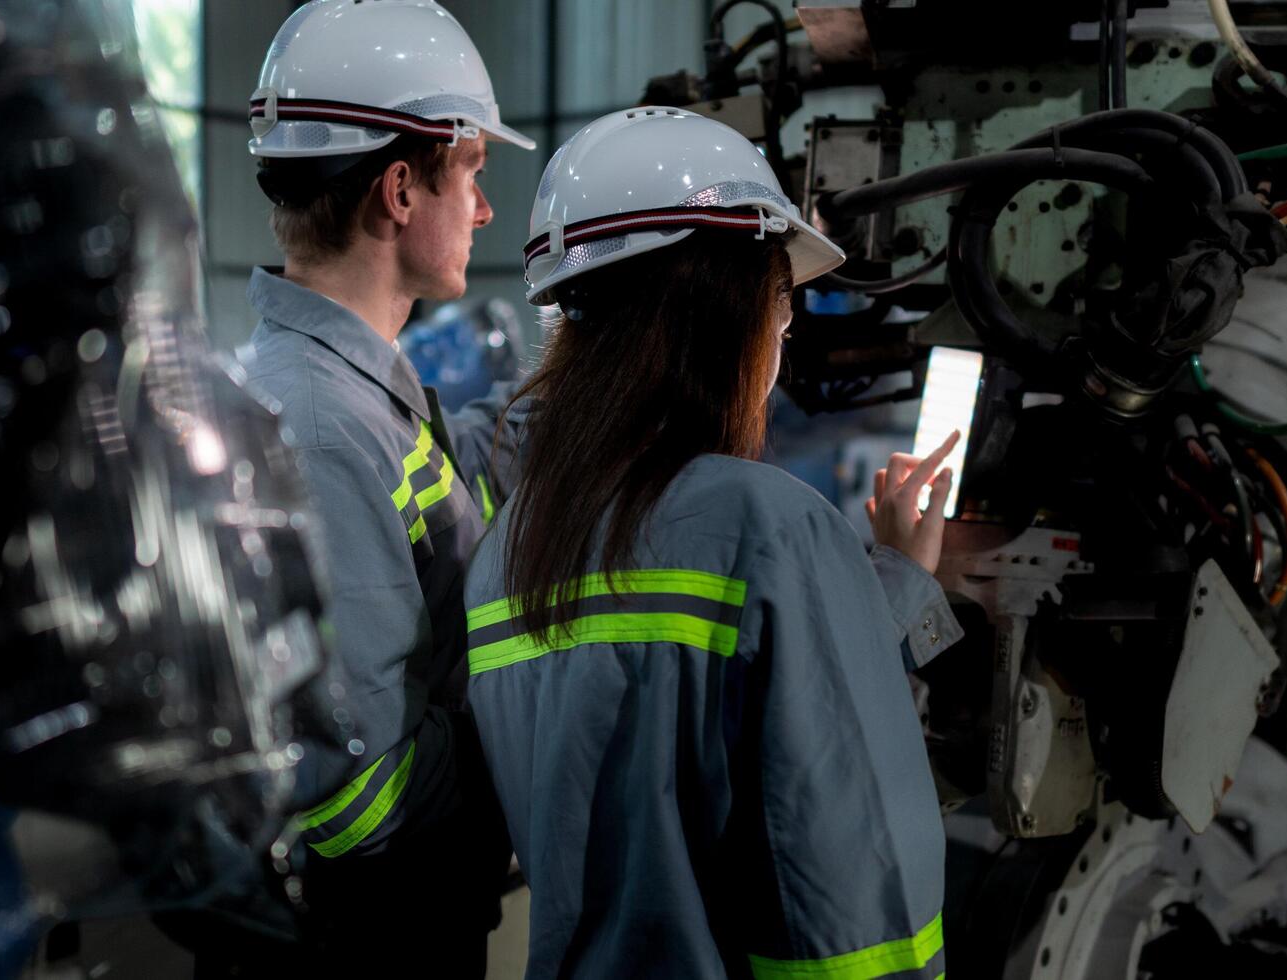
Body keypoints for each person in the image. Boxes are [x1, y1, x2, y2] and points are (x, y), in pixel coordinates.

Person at [465, 106, 964, 979]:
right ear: (717, 304)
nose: (782, 331)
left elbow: (691, 714)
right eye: (779, 300)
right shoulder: (773, 525)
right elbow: (856, 910)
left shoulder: (505, 552)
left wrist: (887, 585)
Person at [168, 2, 536, 974]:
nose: (487, 211)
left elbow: (448, 480)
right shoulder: (325, 426)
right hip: (370, 938)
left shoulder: (342, 387)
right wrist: (518, 729)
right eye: (475, 174)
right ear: (402, 189)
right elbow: (352, 792)